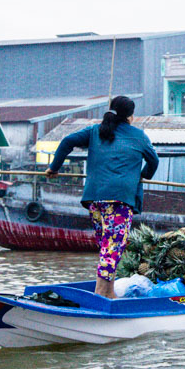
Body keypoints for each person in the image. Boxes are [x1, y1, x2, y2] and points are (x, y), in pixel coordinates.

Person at [46, 95, 159, 299]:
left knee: (107, 246)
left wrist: (54, 167)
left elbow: (67, 142)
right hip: (119, 201)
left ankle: (108, 293)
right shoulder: (139, 136)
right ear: (130, 116)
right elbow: (154, 161)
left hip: (95, 200)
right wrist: (143, 176)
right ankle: (101, 293)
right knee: (113, 247)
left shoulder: (95, 131)